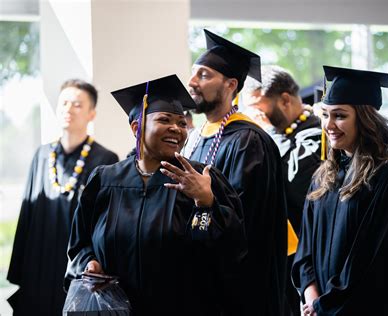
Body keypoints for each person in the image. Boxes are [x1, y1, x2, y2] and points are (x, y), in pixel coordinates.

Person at [64, 74, 247, 315]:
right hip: (116, 309)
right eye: (165, 119)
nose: (176, 128)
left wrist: (206, 203)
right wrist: (90, 262)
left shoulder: (201, 178)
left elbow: (231, 250)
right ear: (136, 127)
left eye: (182, 123)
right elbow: (80, 243)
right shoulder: (105, 180)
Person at [292, 65, 388, 315]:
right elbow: (305, 251)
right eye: (325, 115)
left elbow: (376, 258)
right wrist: (311, 297)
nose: (329, 125)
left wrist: (324, 305)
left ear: (365, 119)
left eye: (340, 115)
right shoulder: (323, 177)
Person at [182, 29, 287, 315]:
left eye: (204, 75)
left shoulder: (248, 142)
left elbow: (247, 224)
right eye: (193, 73)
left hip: (236, 290)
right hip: (199, 282)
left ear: (230, 84)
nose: (192, 82)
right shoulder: (194, 137)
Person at [7, 79, 119, 316]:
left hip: (74, 266)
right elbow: (27, 215)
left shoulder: (105, 160)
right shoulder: (42, 155)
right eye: (64, 103)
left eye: (77, 104)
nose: (68, 109)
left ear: (91, 114)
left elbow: (104, 225)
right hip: (38, 260)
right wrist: (19, 269)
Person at [244, 65, 322, 316]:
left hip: (312, 253)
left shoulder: (320, 139)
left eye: (258, 107)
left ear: (285, 100)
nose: (254, 114)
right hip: (277, 257)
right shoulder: (267, 137)